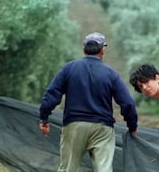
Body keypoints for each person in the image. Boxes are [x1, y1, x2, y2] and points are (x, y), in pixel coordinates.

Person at [39, 32, 138, 172]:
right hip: (103, 129)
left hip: (74, 126)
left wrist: (44, 118)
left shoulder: (69, 68)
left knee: (68, 169)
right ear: (102, 50)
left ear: (84, 49)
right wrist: (132, 126)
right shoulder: (111, 73)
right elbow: (128, 103)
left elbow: (51, 95)